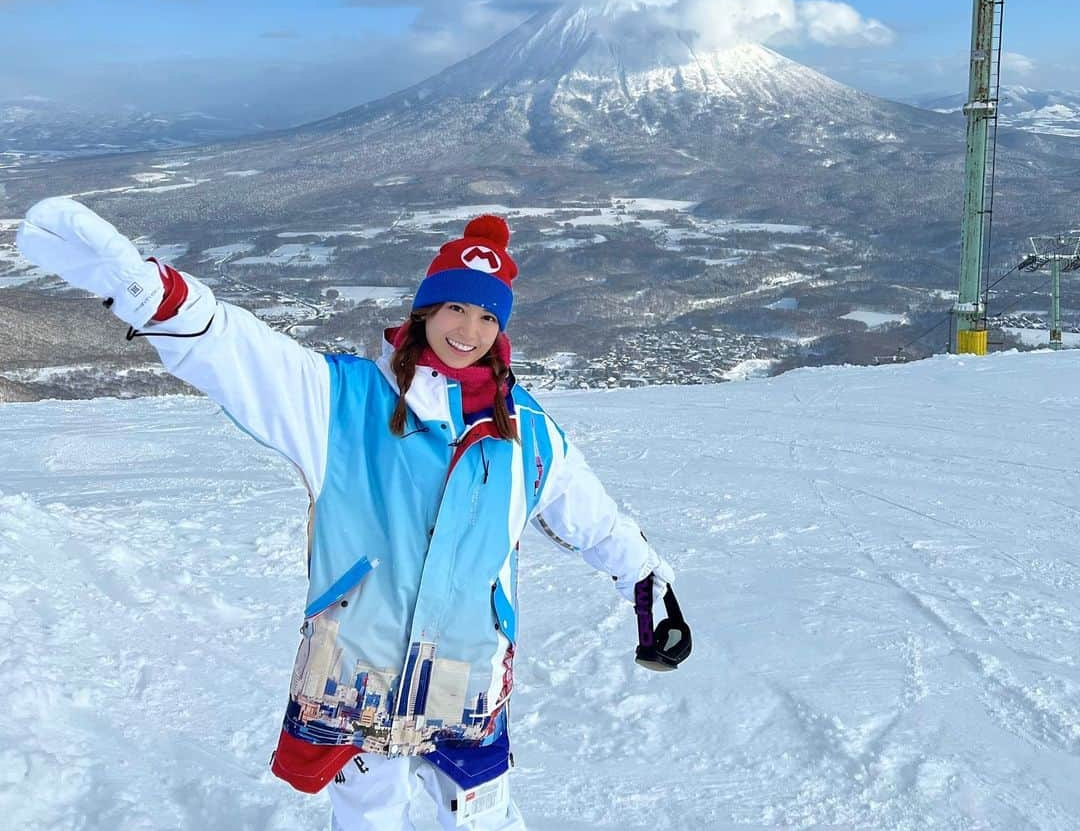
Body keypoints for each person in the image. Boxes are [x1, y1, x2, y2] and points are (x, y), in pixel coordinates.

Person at [16, 198, 677, 830]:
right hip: (359, 671)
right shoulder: (345, 399)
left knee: (480, 817)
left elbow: (594, 518)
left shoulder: (527, 431)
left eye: (486, 317)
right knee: (367, 817)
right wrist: (156, 297)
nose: (467, 331)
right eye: (453, 307)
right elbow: (245, 355)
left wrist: (649, 584)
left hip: (467, 670)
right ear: (424, 310)